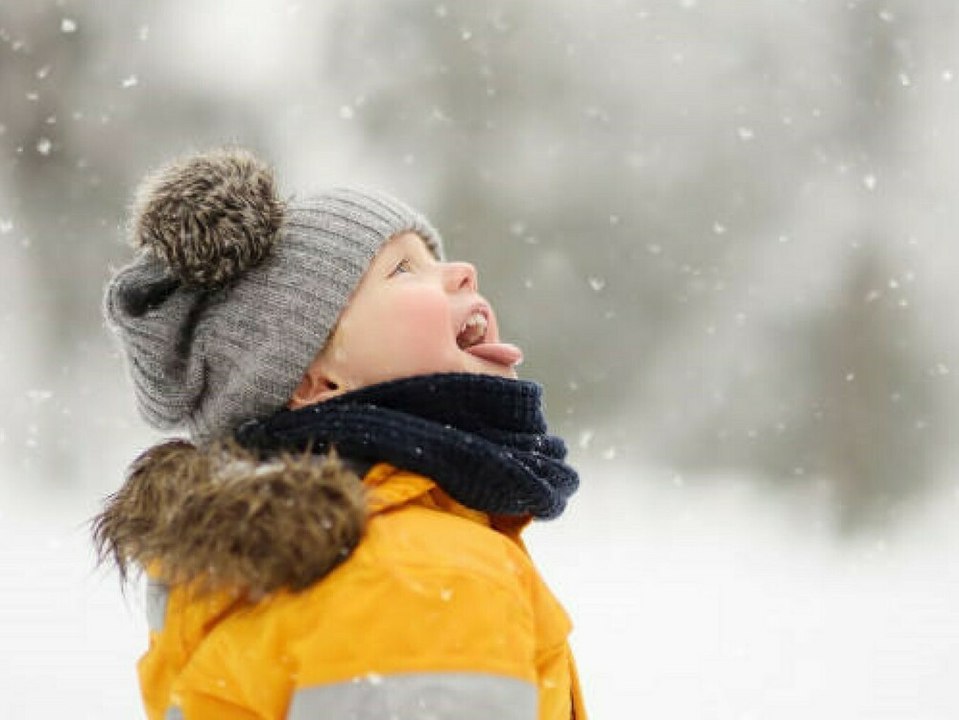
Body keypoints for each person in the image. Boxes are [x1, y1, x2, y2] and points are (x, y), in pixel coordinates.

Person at [94, 148, 586, 720]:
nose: (463, 271)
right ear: (317, 382)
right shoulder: (418, 573)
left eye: (433, 258)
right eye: (403, 269)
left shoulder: (310, 565)